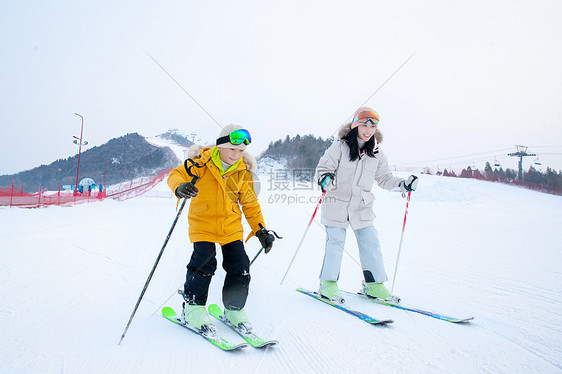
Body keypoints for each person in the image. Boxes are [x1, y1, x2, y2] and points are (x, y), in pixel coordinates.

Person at [167, 125, 276, 332]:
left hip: (230, 226)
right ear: (220, 147)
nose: (236, 155)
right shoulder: (200, 164)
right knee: (204, 263)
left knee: (240, 265)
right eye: (232, 149)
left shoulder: (243, 174)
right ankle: (193, 307)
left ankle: (234, 309)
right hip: (203, 223)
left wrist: (261, 230)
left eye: (241, 151)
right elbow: (175, 175)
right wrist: (180, 187)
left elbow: (251, 205)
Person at [315, 107, 418, 302]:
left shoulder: (377, 153)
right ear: (356, 125)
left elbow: (385, 178)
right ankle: (327, 284)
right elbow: (323, 168)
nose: (368, 129)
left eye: (373, 126)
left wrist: (403, 185)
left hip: (361, 206)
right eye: (364, 125)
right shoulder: (339, 147)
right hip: (337, 202)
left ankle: (374, 285)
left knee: (371, 242)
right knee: (335, 243)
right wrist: (325, 178)